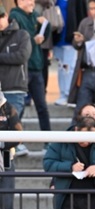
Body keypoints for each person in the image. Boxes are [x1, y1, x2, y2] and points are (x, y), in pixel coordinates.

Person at [9, 0, 52, 146]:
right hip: (23, 69)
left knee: (42, 107)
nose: (32, 2)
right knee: (18, 108)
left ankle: (48, 142)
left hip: (37, 67)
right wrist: (34, 41)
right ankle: (15, 142)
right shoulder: (15, 16)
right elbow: (18, 41)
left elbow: (45, 32)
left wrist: (46, 24)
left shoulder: (35, 15)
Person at [0, 5, 31, 157]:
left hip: (15, 88)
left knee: (12, 127)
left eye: (1, 17)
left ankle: (16, 148)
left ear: (6, 16)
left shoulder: (22, 35)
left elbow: (22, 56)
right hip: (2, 90)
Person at [0, 88, 23, 209]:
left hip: (6, 162)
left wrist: (2, 144)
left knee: (7, 204)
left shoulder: (8, 108)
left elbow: (19, 134)